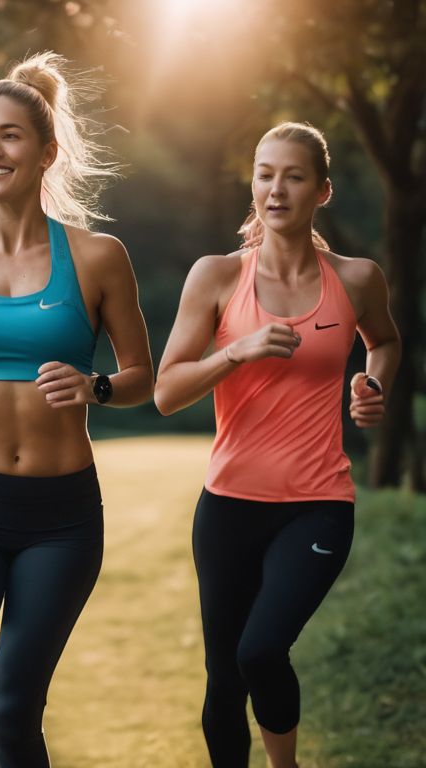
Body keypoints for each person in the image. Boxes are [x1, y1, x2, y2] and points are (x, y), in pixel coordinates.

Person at [0, 52, 153, 767]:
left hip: (60, 515)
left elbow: (142, 376)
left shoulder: (98, 258)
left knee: (16, 704)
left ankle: (2, 743)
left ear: (46, 152)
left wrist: (95, 386)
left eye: (9, 135)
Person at [154, 121, 400, 768]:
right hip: (228, 507)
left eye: (292, 176)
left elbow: (386, 341)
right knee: (224, 678)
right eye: (265, 174)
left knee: (260, 650)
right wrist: (237, 351)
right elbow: (167, 391)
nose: (275, 188)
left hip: (317, 503)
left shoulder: (356, 279)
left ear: (322, 191)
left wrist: (371, 383)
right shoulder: (215, 277)